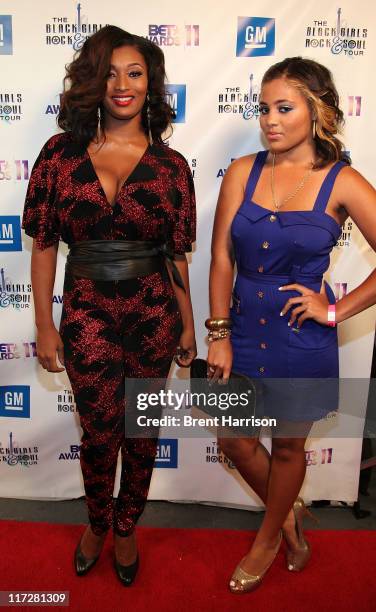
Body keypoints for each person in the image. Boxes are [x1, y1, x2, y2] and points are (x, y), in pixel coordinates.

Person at [22, 25, 196, 585]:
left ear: (151, 84)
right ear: (94, 82)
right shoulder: (59, 155)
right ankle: (97, 519)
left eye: (136, 73)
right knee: (98, 432)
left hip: (153, 317)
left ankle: (127, 524)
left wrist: (188, 326)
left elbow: (175, 254)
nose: (123, 85)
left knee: (141, 430)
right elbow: (45, 242)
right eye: (111, 72)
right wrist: (44, 326)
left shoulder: (171, 166)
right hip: (88, 314)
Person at [207, 56, 376, 593]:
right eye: (264, 109)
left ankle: (271, 537)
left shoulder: (343, 182)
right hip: (239, 328)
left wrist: (334, 310)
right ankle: (289, 513)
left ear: (318, 110)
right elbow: (220, 260)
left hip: (300, 341)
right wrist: (218, 334)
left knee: (286, 450)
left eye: (284, 108)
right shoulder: (242, 171)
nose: (270, 120)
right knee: (234, 442)